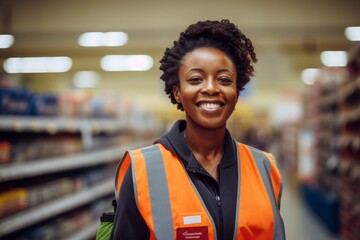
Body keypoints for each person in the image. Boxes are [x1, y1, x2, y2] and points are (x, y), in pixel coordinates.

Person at [112, 19, 286, 240]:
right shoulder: (141, 171)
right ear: (177, 92)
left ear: (237, 92)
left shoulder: (264, 168)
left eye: (224, 79)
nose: (211, 88)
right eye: (195, 79)